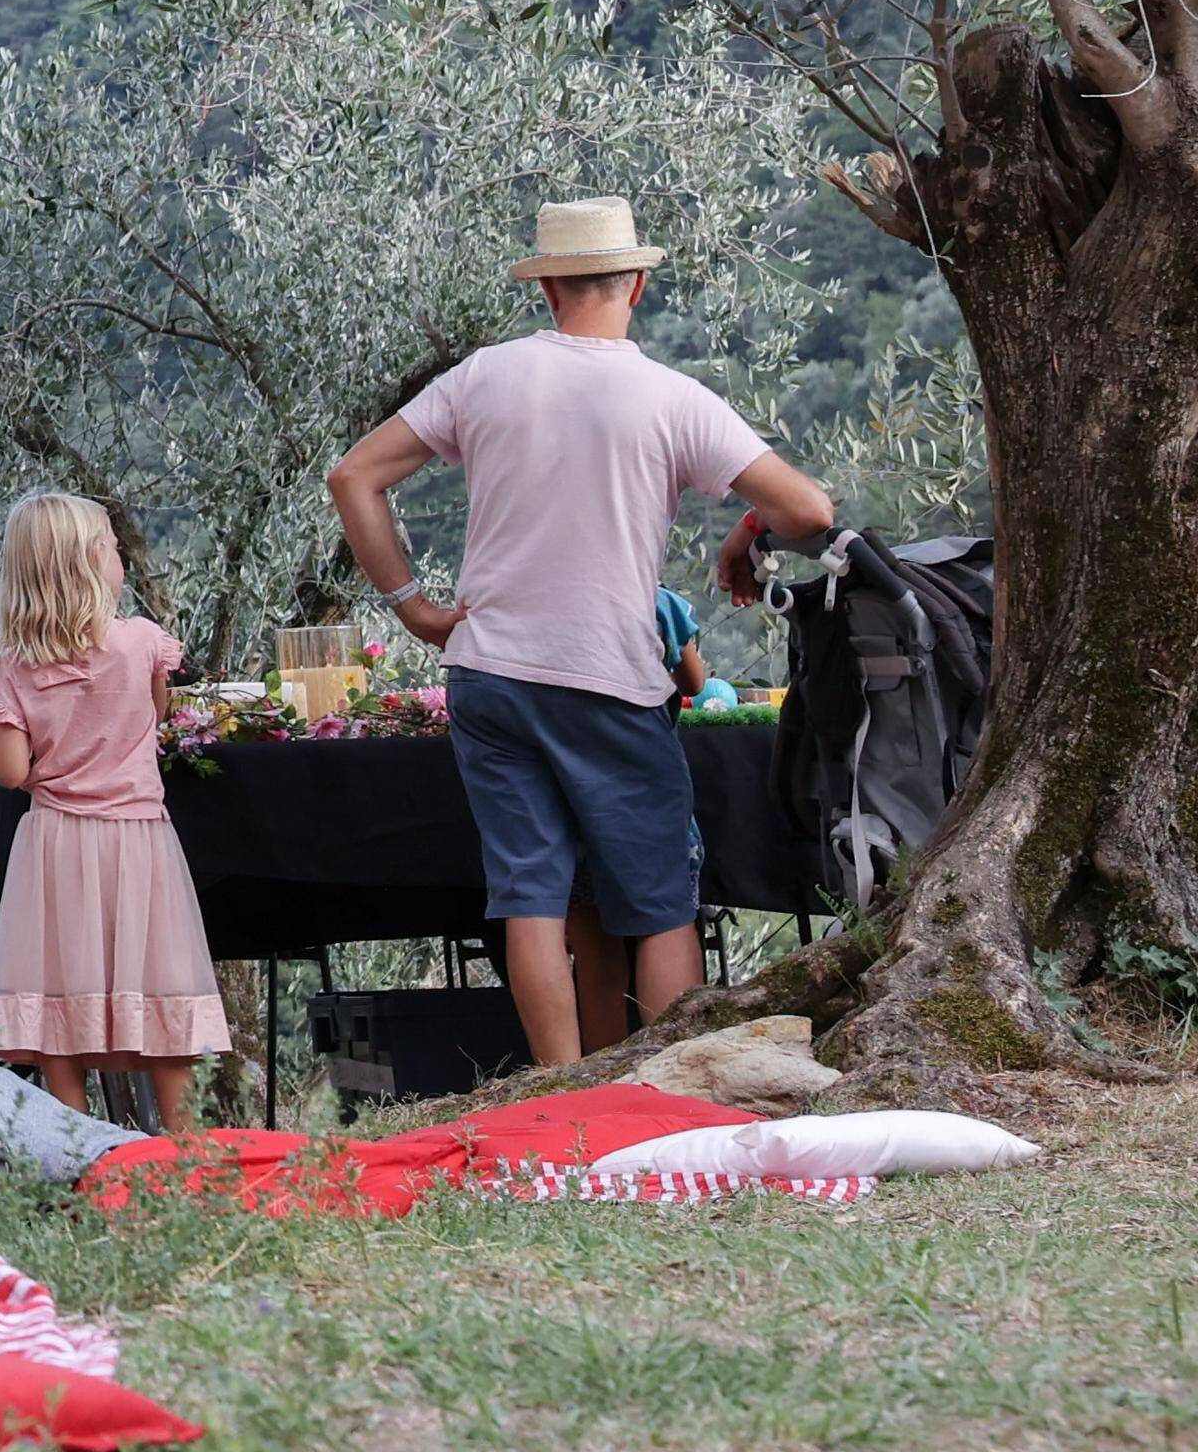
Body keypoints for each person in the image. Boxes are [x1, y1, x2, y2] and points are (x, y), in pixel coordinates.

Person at [328, 193, 840, 1068]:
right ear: (636, 283)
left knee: (530, 890)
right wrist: (741, 532)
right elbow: (808, 509)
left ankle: (559, 1088)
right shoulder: (673, 399)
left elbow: (354, 477)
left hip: (490, 673)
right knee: (661, 900)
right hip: (607, 677)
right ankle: (674, 1085)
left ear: (548, 289)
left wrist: (413, 603)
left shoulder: (484, 375)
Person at [0, 495, 224, 1132]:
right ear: (92, 563)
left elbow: (9, 773)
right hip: (139, 843)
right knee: (159, 993)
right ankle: (186, 1154)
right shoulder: (141, 642)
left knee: (60, 1014)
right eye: (112, 545)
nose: (119, 555)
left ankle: (77, 1160)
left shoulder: (17, 669)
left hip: (57, 848)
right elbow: (158, 715)